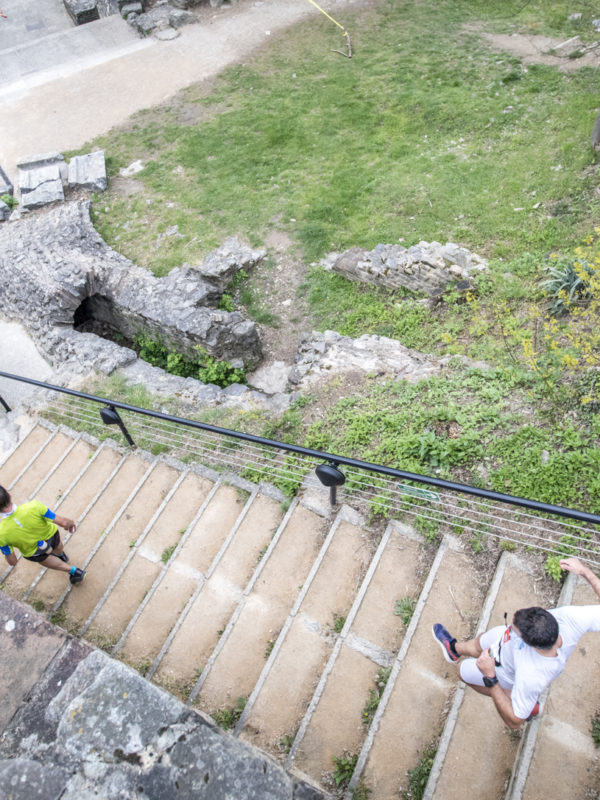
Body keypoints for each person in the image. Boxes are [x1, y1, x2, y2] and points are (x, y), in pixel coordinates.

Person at [432, 556, 600, 729]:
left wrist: (491, 678)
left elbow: (514, 721)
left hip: (504, 670)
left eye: (515, 630)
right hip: (504, 644)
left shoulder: (532, 675)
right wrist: (584, 571)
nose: (512, 627)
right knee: (480, 642)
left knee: (462, 670)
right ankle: (454, 649)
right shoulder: (570, 619)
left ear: (530, 644)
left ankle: (518, 700)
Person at [0, 485, 85, 584]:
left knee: (47, 560)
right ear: (9, 495)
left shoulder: (1, 534)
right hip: (52, 537)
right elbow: (64, 523)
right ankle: (61, 555)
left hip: (36, 552)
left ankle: (75, 572)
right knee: (57, 546)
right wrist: (69, 524)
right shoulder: (34, 506)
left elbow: (13, 561)